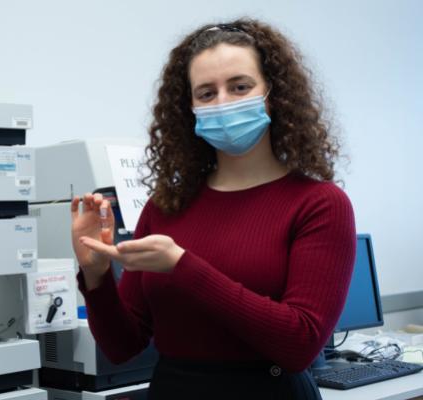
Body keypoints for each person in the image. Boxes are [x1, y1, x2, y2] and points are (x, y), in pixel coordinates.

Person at [71, 18, 356, 399]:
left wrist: (183, 266)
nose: (222, 102)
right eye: (206, 93)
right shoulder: (166, 206)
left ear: (274, 94)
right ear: (189, 108)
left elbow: (299, 345)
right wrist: (96, 274)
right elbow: (123, 346)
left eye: (240, 87)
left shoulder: (319, 204)